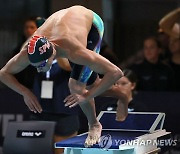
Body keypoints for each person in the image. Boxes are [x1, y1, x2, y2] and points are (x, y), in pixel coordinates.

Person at [0, 6, 124, 147]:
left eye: (42, 65)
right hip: (64, 21)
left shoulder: (74, 51)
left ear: (52, 54)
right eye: (36, 66)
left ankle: (94, 124)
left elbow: (116, 72)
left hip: (92, 24)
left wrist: (87, 96)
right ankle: (121, 94)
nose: (39, 70)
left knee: (77, 86)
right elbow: (3, 74)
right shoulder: (27, 52)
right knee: (91, 83)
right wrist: (25, 92)